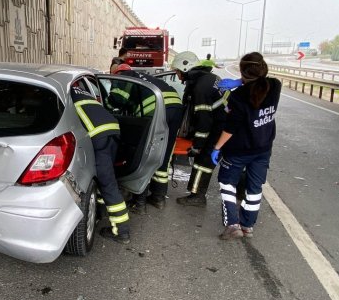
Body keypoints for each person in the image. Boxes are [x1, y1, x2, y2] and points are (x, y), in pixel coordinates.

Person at [211, 52, 281, 240]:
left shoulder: (238, 97)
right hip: (263, 149)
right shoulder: (274, 86)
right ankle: (248, 226)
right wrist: (242, 82)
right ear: (263, 68)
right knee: (255, 187)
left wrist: (217, 148)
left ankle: (233, 225)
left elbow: (230, 127)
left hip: (238, 150)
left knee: (226, 182)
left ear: (242, 71)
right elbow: (262, 82)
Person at [110, 64, 185, 213]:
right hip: (176, 108)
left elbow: (116, 100)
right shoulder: (144, 77)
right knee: (164, 153)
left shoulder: (123, 77)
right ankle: (159, 197)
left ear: (116, 73)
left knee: (146, 152)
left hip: (157, 110)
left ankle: (139, 202)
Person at [70, 86, 130, 244]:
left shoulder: (61, 90)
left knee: (107, 182)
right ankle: (100, 212)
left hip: (97, 134)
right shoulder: (78, 89)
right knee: (104, 177)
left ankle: (121, 231)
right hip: (112, 129)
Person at [174, 64, 228, 207]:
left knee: (203, 162)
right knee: (234, 161)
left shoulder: (200, 89)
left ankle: (197, 196)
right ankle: (241, 190)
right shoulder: (210, 77)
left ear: (186, 70)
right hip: (227, 123)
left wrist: (197, 146)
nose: (177, 75)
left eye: (178, 72)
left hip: (219, 127)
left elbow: (204, 121)